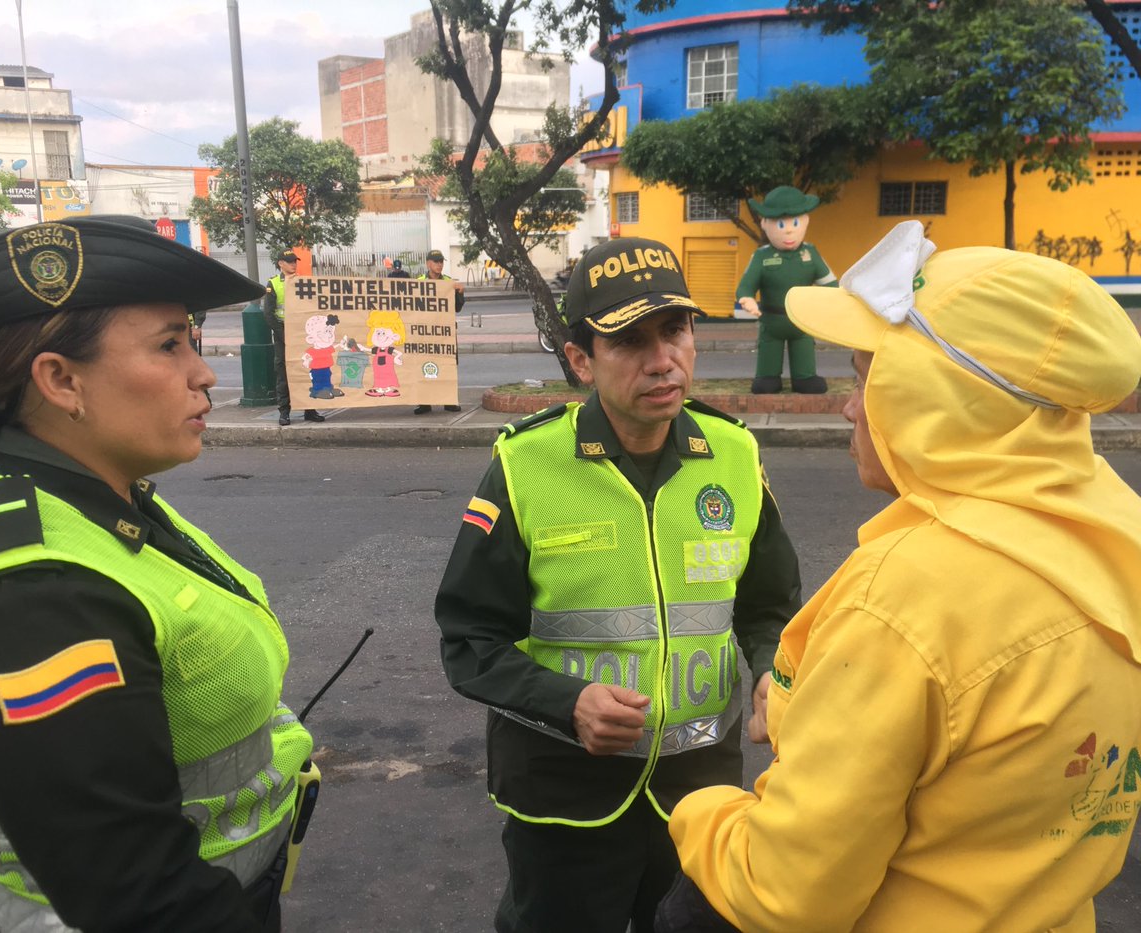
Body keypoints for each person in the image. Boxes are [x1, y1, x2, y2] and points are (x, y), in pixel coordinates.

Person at [656, 221, 1141, 933]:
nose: (849, 406)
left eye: (865, 378)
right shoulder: (1112, 540)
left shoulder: (905, 599)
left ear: (938, 396)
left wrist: (702, 810)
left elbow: (785, 894)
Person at [0, 215, 315, 932]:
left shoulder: (98, 495)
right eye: (170, 345)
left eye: (192, 341)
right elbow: (140, 898)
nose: (204, 373)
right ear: (61, 380)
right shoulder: (37, 596)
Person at [435, 236, 803, 933]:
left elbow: (770, 607)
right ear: (580, 360)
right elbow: (469, 637)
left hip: (699, 796)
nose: (663, 359)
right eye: (629, 341)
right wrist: (568, 701)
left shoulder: (733, 453)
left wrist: (768, 670)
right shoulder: (525, 464)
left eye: (676, 330)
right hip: (565, 797)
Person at [734, 185, 836, 395]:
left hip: (802, 320)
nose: (789, 230)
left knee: (804, 350)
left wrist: (835, 300)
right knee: (768, 360)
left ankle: (804, 377)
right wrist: (746, 298)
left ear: (805, 221)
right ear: (765, 224)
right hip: (772, 320)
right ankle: (768, 376)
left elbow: (830, 283)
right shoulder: (762, 256)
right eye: (781, 224)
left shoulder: (810, 253)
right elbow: (746, 285)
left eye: (795, 223)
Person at [262, 248, 324, 426]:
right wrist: (284, 336)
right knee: (283, 373)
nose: (293, 264)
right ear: (280, 264)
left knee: (307, 370)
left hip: (302, 332)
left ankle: (309, 409)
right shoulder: (273, 283)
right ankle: (284, 412)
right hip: (283, 333)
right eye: (289, 262)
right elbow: (269, 314)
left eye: (295, 261)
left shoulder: (302, 281)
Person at [414, 248, 464, 414]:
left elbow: (457, 308)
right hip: (425, 333)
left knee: (447, 365)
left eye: (441, 261)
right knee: (424, 365)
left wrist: (460, 293)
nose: (439, 264)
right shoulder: (418, 282)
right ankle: (424, 403)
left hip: (445, 333)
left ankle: (448, 401)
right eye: (436, 261)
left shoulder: (449, 282)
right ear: (428, 263)